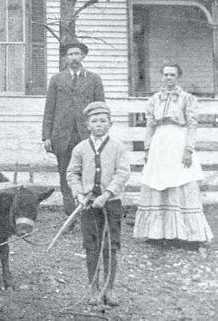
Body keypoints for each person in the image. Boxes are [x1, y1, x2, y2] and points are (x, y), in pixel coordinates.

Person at [133, 62, 213, 247]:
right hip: (159, 144)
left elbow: (192, 126)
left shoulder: (187, 98)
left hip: (178, 141)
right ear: (161, 76)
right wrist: (147, 148)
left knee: (181, 183)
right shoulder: (155, 99)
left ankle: (188, 235)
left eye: (172, 75)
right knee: (157, 183)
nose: (169, 78)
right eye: (166, 75)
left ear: (178, 77)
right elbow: (150, 125)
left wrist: (188, 149)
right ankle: (157, 233)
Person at [67, 101, 130, 307]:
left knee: (111, 246)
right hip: (87, 206)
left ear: (110, 124)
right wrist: (78, 194)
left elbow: (122, 172)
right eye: (94, 121)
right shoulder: (80, 148)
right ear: (87, 125)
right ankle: (93, 288)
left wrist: (107, 193)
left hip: (111, 204)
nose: (99, 124)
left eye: (103, 121)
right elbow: (72, 173)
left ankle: (108, 289)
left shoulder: (118, 147)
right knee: (91, 246)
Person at [42, 40, 105, 218]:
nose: (74, 58)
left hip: (86, 136)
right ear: (66, 58)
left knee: (89, 174)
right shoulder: (57, 80)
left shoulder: (93, 79)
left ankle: (87, 213)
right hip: (62, 136)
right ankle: (70, 216)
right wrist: (46, 136)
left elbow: (101, 108)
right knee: (66, 176)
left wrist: (99, 134)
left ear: (83, 56)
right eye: (70, 54)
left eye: (77, 54)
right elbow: (49, 109)